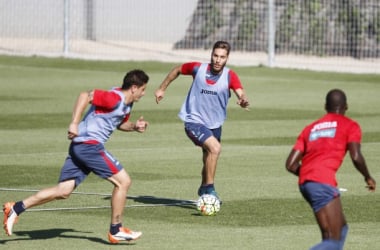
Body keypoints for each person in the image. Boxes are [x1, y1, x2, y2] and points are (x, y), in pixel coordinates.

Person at [3, 69, 150, 244]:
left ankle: (16, 208)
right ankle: (116, 229)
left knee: (63, 191)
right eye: (143, 89)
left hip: (81, 146)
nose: (144, 93)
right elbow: (84, 96)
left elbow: (121, 124)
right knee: (124, 182)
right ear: (134, 87)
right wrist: (74, 123)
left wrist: (135, 127)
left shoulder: (127, 104)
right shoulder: (114, 97)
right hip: (89, 145)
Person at [154, 41, 249, 200]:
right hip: (194, 121)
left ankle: (204, 186)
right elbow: (177, 69)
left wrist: (243, 100)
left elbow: (241, 92)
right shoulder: (198, 68)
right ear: (211, 55)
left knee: (208, 158)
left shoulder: (229, 76)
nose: (218, 60)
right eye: (215, 56)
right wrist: (162, 88)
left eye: (222, 57)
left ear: (227, 59)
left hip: (215, 124)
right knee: (215, 148)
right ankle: (210, 190)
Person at [285, 89, 376, 250]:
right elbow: (356, 156)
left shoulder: (311, 128)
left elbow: (290, 164)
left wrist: (309, 175)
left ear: (325, 106)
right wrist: (368, 177)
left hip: (306, 182)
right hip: (322, 183)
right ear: (346, 107)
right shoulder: (350, 125)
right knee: (333, 240)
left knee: (340, 230)